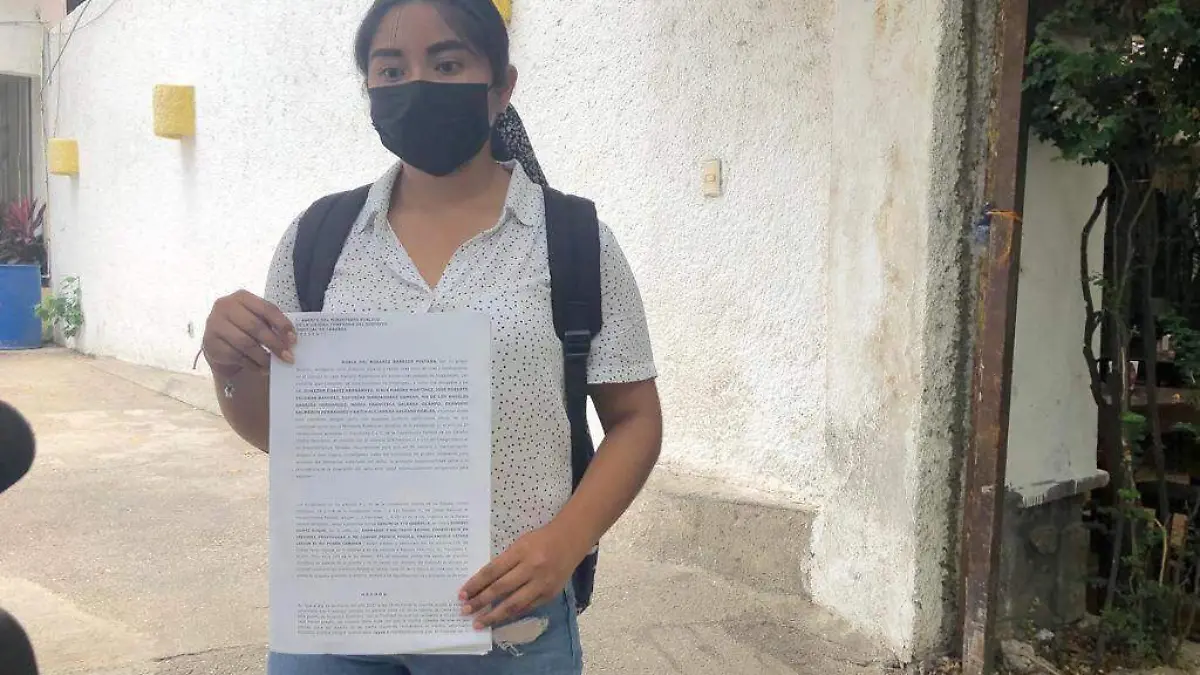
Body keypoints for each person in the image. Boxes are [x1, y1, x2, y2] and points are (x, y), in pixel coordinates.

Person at [198, 0, 663, 673]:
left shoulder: (574, 240)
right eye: (391, 69)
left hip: (509, 622)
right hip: (338, 618)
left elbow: (635, 419)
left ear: (501, 86)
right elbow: (286, 436)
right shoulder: (319, 239)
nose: (416, 85)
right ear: (369, 90)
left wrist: (567, 540)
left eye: (447, 64)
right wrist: (231, 368)